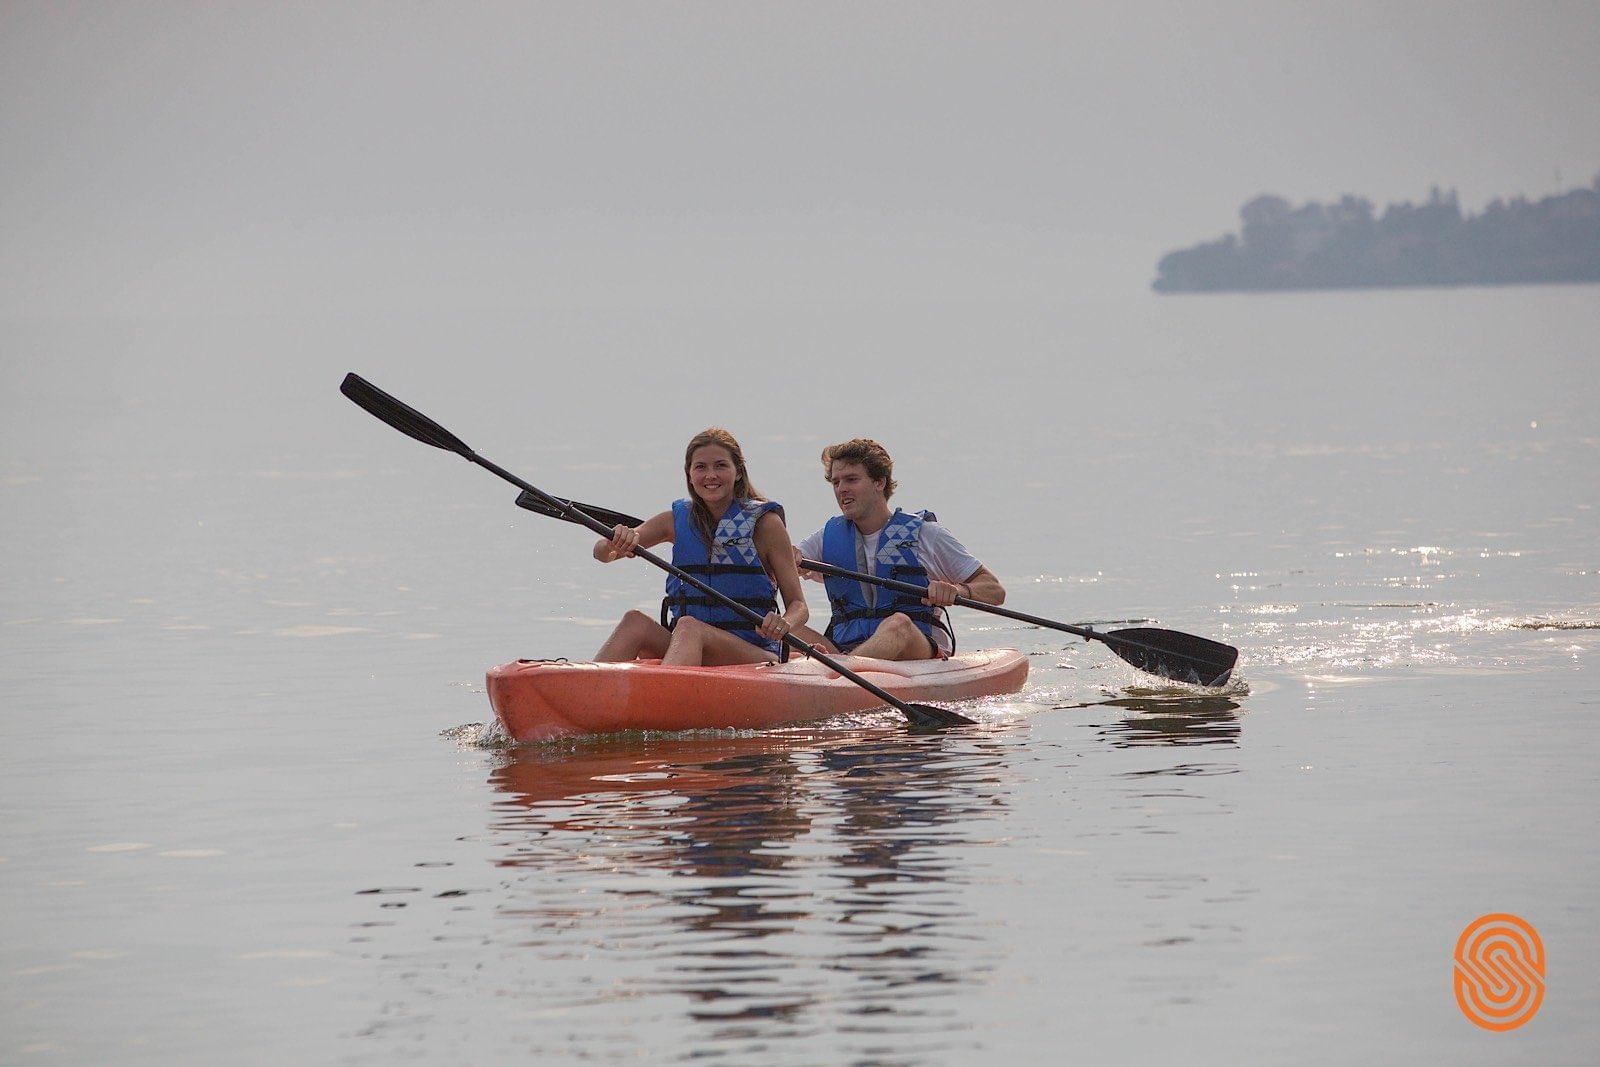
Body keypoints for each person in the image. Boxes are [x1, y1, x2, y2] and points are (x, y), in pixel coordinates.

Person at [591, 428, 809, 666]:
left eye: (720, 466)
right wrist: (615, 540)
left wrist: (784, 622)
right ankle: (584, 690)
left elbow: (799, 606)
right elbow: (604, 554)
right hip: (687, 644)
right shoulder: (674, 521)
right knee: (635, 621)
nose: (710, 475)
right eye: (701, 467)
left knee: (689, 627)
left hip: (753, 654)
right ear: (690, 475)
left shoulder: (766, 525)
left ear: (738, 472)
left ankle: (664, 696)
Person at [790, 438, 1004, 661]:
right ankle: (842, 672)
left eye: (851, 480)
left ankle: (841, 677)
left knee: (897, 624)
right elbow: (783, 563)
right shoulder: (827, 537)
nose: (841, 489)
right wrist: (786, 558)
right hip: (843, 650)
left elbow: (995, 590)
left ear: (879, 482)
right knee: (786, 626)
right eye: (836, 483)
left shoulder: (927, 534)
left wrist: (958, 591)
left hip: (914, 651)